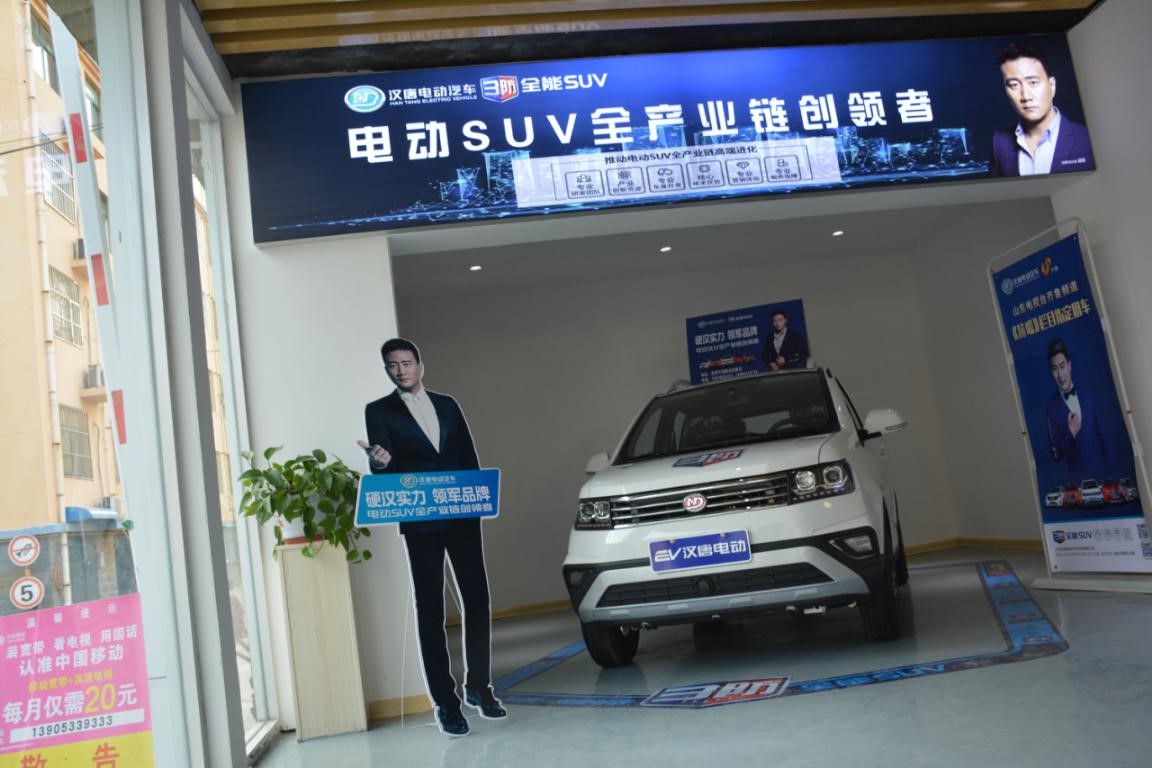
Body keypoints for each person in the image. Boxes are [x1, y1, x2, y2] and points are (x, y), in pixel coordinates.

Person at [358, 338, 505, 737]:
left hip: (462, 516)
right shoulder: (379, 411)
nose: (401, 370)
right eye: (393, 365)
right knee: (430, 610)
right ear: (387, 370)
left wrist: (477, 501)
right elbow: (385, 468)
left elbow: (467, 455)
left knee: (477, 600)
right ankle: (446, 702)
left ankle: (479, 687)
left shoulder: (448, 405)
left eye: (407, 363)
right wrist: (379, 464)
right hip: (420, 522)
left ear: (420, 366)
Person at [989, 42, 1095, 177]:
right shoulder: (999, 142)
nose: (1026, 96)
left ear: (1052, 86)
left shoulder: (1087, 139)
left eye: (1033, 83)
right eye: (1014, 85)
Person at [1044, 338, 1110, 481]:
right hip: (1078, 483)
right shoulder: (1051, 407)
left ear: (1069, 365)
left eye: (1062, 366)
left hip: (1103, 477)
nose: (1060, 374)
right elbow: (1056, 454)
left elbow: (1105, 438)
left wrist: (1112, 474)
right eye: (1055, 369)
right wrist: (1071, 432)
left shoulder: (1089, 396)